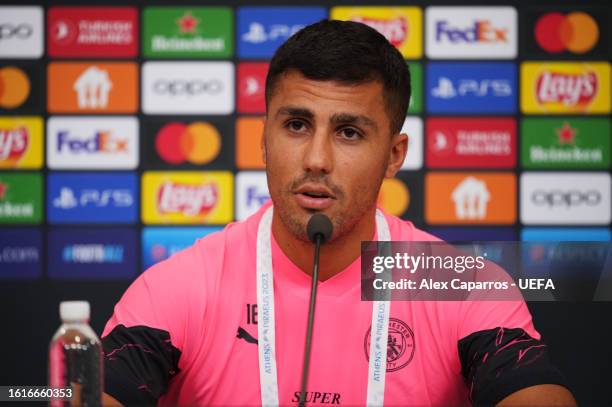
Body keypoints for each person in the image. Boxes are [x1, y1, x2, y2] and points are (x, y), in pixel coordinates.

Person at [101, 20, 576, 406]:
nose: (317, 159)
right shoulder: (178, 288)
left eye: (349, 132)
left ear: (394, 155)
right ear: (264, 140)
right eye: (296, 125)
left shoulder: (463, 286)